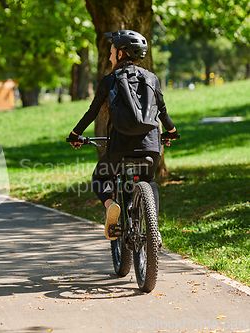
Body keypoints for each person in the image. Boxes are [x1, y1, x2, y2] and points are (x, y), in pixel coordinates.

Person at [68, 30, 179, 241]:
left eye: (111, 52)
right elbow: (162, 111)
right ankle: (153, 230)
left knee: (100, 177)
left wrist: (75, 134)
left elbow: (92, 112)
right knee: (149, 179)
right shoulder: (152, 78)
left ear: (121, 54)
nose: (110, 56)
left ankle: (112, 205)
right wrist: (171, 132)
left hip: (119, 149)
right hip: (151, 147)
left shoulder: (110, 80)